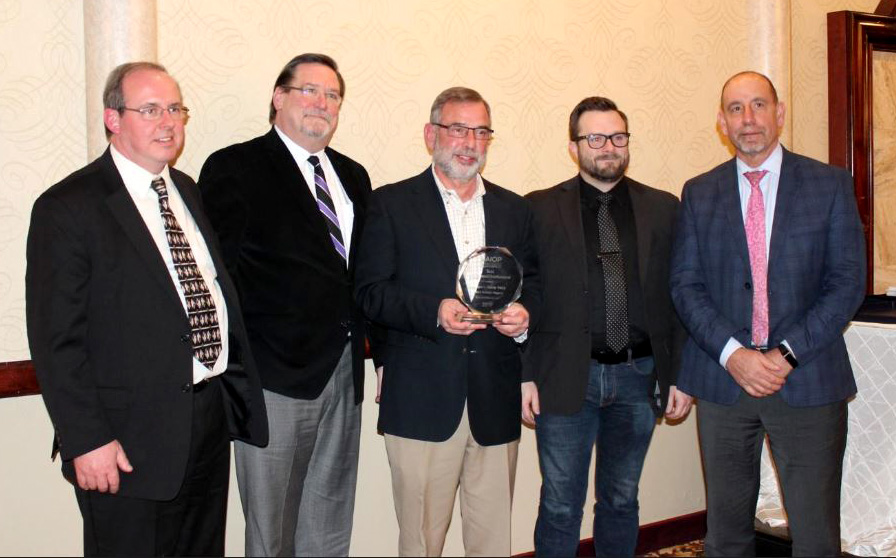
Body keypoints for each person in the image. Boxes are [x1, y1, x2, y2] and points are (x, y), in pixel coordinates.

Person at [25, 61, 268, 556]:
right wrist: (85, 439)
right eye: (151, 110)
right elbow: (56, 341)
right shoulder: (69, 206)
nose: (169, 122)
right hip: (123, 440)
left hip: (204, 418)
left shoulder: (186, 190)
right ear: (113, 119)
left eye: (176, 109)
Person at [670, 71, 866, 556]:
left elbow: (846, 283)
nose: (748, 118)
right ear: (722, 122)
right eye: (736, 108)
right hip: (724, 384)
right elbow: (686, 284)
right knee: (726, 535)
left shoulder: (830, 185)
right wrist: (734, 354)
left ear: (779, 114)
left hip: (808, 379)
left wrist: (786, 354)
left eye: (759, 105)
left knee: (816, 536)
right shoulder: (699, 192)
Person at [197, 53, 376, 557]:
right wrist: (235, 376)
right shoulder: (235, 167)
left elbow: (360, 276)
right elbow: (219, 280)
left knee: (329, 523)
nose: (323, 103)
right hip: (273, 380)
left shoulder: (353, 176)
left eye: (333, 95)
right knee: (271, 531)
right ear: (278, 98)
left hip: (343, 373)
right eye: (310, 91)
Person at [354, 86, 540, 557]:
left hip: (494, 398)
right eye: (458, 128)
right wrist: (433, 311)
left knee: (493, 540)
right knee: (420, 542)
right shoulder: (390, 204)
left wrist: (524, 316)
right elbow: (369, 293)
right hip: (421, 399)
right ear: (431, 134)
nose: (469, 142)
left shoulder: (515, 209)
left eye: (481, 131)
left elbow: (534, 284)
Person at [523, 96, 691, 558]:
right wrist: (525, 374)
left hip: (639, 376)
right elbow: (524, 297)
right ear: (574, 147)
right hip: (564, 379)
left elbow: (680, 298)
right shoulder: (537, 209)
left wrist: (680, 375)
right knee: (559, 506)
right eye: (595, 138)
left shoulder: (663, 208)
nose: (608, 147)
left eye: (617, 137)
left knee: (621, 500)